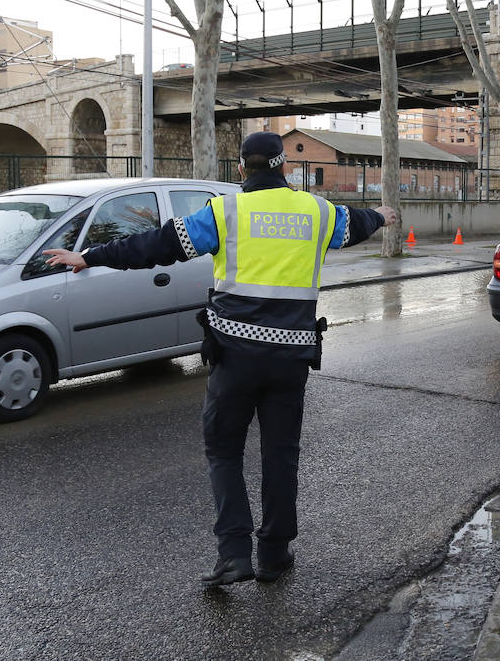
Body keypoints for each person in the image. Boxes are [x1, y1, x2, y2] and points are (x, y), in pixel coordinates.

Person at [43, 132, 397, 588]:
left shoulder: (227, 211)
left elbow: (157, 245)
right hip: (292, 356)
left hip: (236, 355)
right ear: (285, 167)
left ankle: (233, 555)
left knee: (224, 450)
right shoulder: (317, 212)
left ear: (241, 170)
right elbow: (358, 222)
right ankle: (273, 554)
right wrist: (383, 217)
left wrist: (88, 257)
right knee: (280, 454)